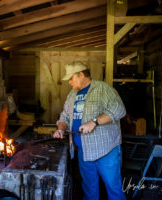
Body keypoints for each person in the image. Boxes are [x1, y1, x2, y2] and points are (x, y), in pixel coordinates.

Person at [53, 61, 126, 200]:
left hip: (106, 151)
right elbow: (65, 116)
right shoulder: (72, 95)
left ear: (81, 75)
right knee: (89, 191)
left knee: (114, 190)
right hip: (84, 152)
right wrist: (61, 128)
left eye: (71, 78)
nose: (69, 82)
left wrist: (94, 122)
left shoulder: (103, 89)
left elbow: (119, 109)